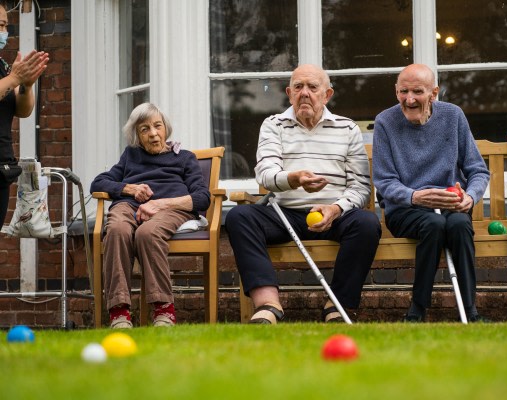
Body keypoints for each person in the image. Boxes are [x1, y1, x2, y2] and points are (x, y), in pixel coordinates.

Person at [226, 64, 381, 324]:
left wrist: (336, 208)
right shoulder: (273, 125)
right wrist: (294, 179)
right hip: (283, 214)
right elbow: (265, 174)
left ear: (327, 94)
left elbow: (360, 188)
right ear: (289, 93)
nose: (304, 93)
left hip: (333, 215)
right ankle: (268, 305)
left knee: (367, 223)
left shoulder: (347, 129)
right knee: (239, 217)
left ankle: (336, 305)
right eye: (298, 87)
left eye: (312, 87)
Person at [373, 64, 491, 323]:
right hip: (405, 209)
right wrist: (415, 197)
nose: (410, 99)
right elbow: (384, 180)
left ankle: (471, 312)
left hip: (451, 206)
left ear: (434, 92)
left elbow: (478, 171)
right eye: (404, 91)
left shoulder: (453, 116)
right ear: (396, 92)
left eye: (418, 91)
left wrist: (470, 197)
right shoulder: (385, 122)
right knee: (434, 224)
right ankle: (417, 310)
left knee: (460, 225)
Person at [90, 103, 210, 328]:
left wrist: (160, 204)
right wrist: (130, 189)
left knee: (148, 233)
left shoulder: (184, 158)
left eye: (157, 126)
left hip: (170, 209)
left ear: (166, 128)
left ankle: (164, 309)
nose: (153, 133)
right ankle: (119, 312)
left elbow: (202, 198)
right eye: (145, 129)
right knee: (117, 229)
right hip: (129, 205)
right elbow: (98, 183)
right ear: (137, 135)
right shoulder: (130, 156)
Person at [0, 3, 49, 225]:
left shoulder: (1, 65)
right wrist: (14, 79)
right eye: (0, 25)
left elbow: (23, 110)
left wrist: (27, 85)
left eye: (5, 25)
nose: (4, 31)